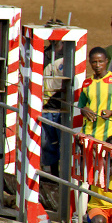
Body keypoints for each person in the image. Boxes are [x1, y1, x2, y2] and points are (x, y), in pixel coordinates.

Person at [78, 46, 112, 141]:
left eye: (101, 61)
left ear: (106, 61)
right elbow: (81, 106)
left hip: (111, 135)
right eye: (94, 62)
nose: (98, 65)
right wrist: (84, 110)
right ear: (90, 62)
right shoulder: (86, 83)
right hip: (89, 133)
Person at [41, 40, 65, 175]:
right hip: (46, 107)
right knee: (48, 144)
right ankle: (53, 175)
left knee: (64, 144)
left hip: (64, 108)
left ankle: (63, 176)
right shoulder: (43, 54)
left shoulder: (69, 55)